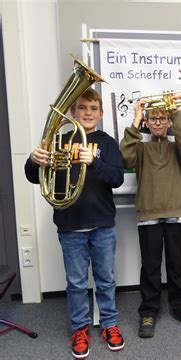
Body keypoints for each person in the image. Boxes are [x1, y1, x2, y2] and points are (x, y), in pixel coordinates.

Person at [24, 88, 125, 358]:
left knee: (106, 279)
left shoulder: (108, 143)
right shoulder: (60, 139)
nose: (88, 113)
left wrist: (94, 162)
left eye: (93, 109)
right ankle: (80, 328)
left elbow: (117, 178)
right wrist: (33, 161)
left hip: (102, 223)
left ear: (101, 114)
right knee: (77, 282)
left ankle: (109, 324)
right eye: (82, 108)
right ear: (72, 112)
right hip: (70, 224)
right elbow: (34, 177)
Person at [120, 99, 181, 338]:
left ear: (168, 122)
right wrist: (135, 119)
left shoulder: (177, 147)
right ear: (146, 122)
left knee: (176, 265)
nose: (157, 123)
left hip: (175, 212)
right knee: (151, 267)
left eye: (162, 118)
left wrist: (176, 115)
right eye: (152, 119)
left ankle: (180, 306)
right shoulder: (141, 149)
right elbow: (126, 157)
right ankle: (149, 310)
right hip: (149, 214)